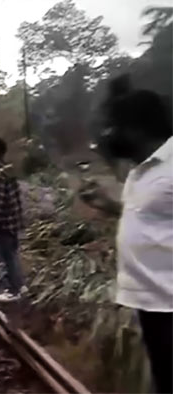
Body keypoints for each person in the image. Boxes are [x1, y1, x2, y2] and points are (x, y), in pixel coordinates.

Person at [80, 76, 172, 394]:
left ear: (136, 128)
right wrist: (108, 204)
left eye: (114, 128)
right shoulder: (142, 168)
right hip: (151, 301)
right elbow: (150, 215)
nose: (109, 136)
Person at [0, 137, 27, 302]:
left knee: (8, 256)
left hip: (3, 223)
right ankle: (19, 285)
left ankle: (15, 290)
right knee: (12, 255)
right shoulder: (8, 170)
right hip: (13, 221)